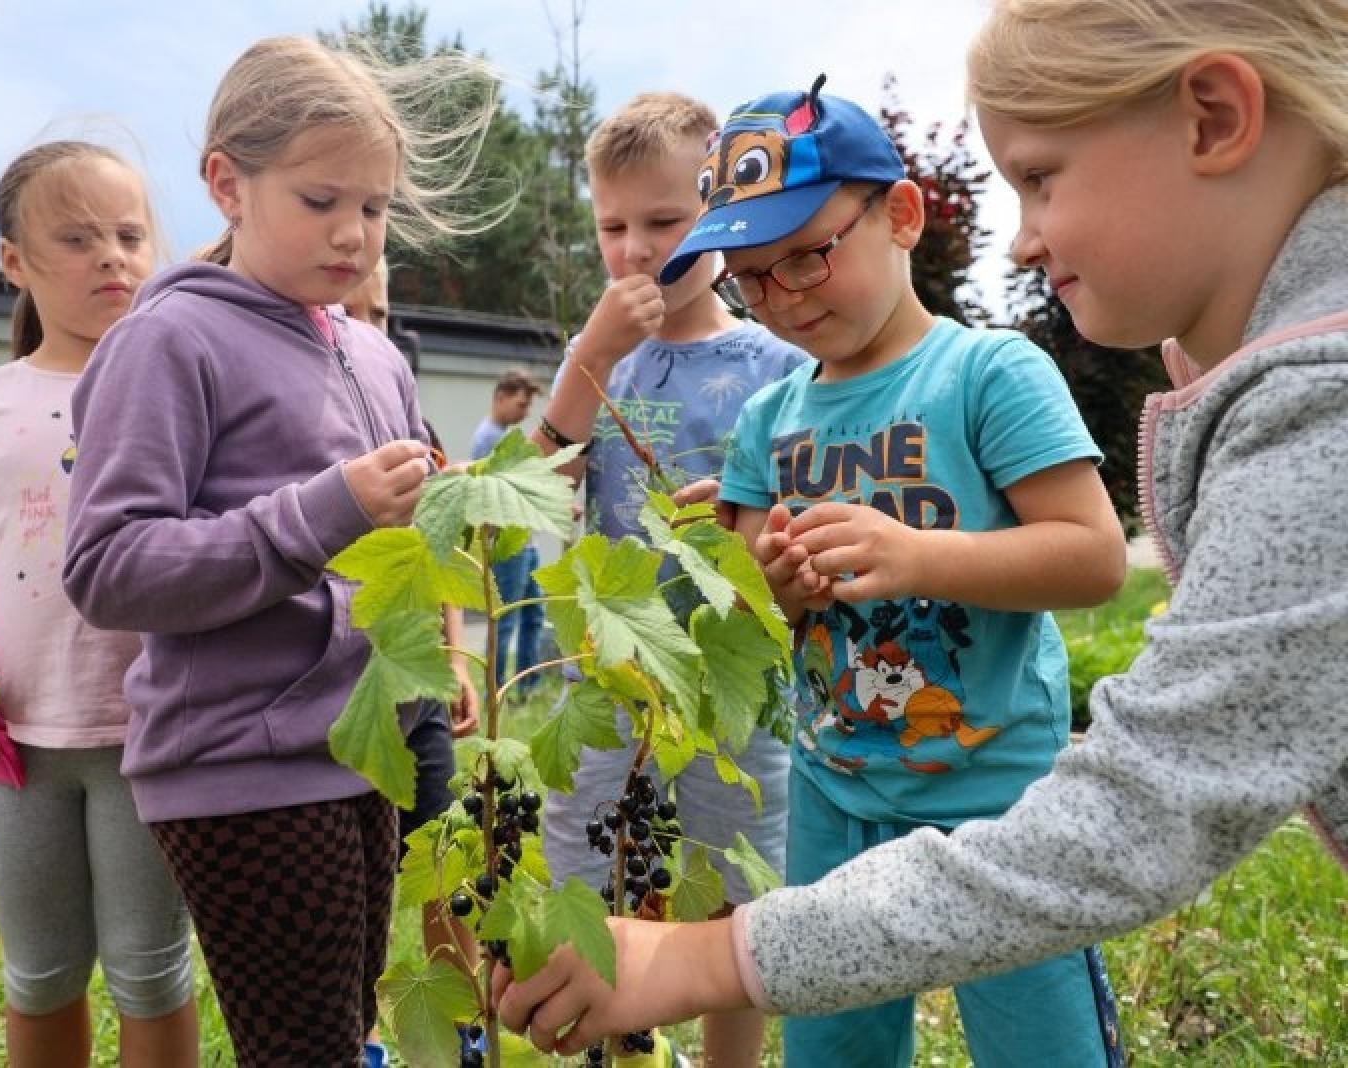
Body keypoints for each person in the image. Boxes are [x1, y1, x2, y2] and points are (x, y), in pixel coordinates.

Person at [494, 0, 1348, 1060]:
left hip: (998, 793)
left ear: (900, 215)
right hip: (833, 782)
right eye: (752, 280)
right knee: (832, 1040)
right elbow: (759, 598)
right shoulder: (769, 416)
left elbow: (1092, 559)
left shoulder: (989, 373)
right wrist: (772, 577)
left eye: (807, 256)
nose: (781, 296)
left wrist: (915, 556)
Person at [62, 35, 494, 1067]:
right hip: (243, 766)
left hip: (366, 750)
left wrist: (443, 627)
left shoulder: (376, 356)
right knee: (303, 1047)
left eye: (375, 207)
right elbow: (108, 566)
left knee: (344, 1027)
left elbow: (400, 542)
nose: (354, 233)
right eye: (320, 199)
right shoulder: (168, 342)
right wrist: (323, 512)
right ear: (227, 184)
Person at [531, 90, 811, 1068]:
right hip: (608, 671)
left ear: (720, 216)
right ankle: (616, 1047)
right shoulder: (596, 359)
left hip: (732, 680)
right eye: (612, 227)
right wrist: (592, 354)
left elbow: (805, 513)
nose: (636, 249)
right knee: (589, 873)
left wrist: (746, 517)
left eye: (663, 221)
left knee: (737, 888)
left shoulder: (779, 365)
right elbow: (534, 483)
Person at [0, 141, 197, 1068]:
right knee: (40, 974)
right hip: (9, 741)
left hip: (152, 734)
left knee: (151, 972)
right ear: (13, 261)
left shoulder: (186, 385)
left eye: (130, 235)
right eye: (78, 237)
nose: (112, 257)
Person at [344, 261, 483, 1068]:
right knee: (358, 886)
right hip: (350, 689)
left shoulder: (410, 424)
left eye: (382, 313)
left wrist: (455, 653)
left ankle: (460, 1027)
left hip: (420, 683)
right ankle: (361, 1038)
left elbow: (441, 547)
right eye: (350, 311)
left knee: (445, 856)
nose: (370, 330)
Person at [470, 368, 546, 692]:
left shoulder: (501, 435)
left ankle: (527, 685)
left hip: (525, 543)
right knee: (505, 621)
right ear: (500, 398)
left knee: (533, 616)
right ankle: (496, 690)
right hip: (507, 545)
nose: (526, 413)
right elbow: (495, 495)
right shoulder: (490, 439)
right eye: (521, 404)